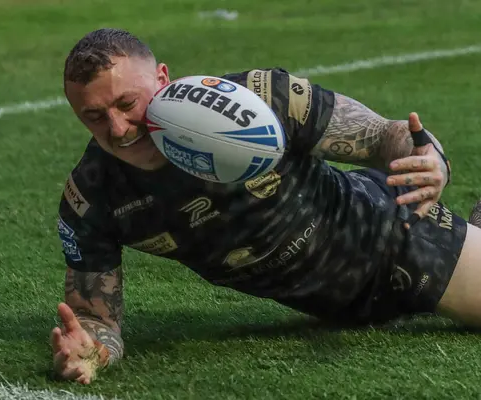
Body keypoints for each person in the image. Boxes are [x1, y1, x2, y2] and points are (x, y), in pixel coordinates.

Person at [50, 28, 481, 385]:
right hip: (338, 307)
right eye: (94, 116)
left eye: (128, 104)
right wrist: (89, 349)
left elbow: (383, 135)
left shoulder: (257, 99)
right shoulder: (92, 198)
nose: (119, 128)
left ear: (163, 78)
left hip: (394, 237)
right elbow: (95, 319)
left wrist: (429, 159)